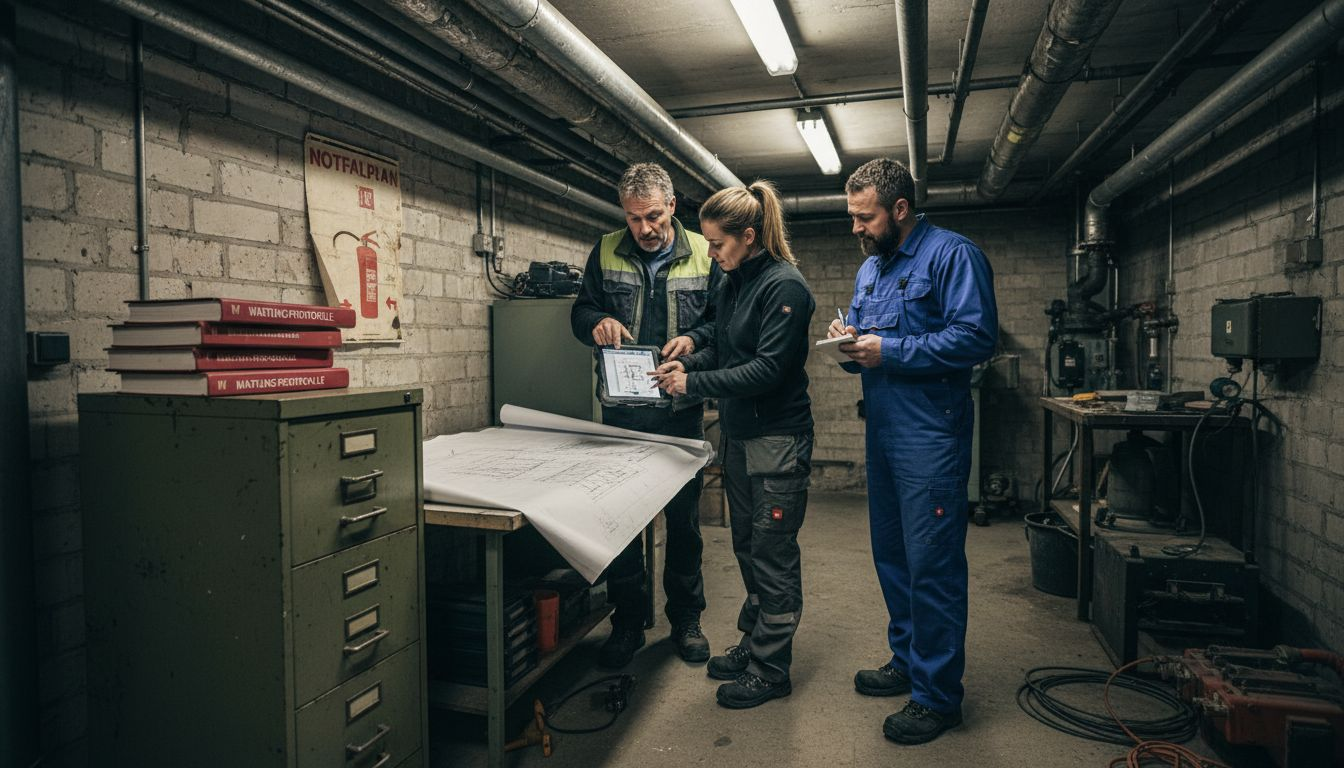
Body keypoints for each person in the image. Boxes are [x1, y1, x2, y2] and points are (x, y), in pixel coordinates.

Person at [828, 158, 997, 744]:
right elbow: (869, 346)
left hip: (931, 437)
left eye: (864, 217)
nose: (856, 228)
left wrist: (889, 352)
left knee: (933, 566)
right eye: (852, 216)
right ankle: (908, 660)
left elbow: (976, 336)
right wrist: (849, 344)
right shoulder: (871, 268)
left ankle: (937, 697)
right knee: (894, 557)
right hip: (883, 432)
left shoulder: (953, 255)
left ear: (899, 209)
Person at [652, 180, 815, 709]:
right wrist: (685, 363)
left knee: (773, 553)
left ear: (748, 236)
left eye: (717, 244)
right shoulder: (733, 280)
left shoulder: (785, 287)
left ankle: (771, 669)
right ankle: (755, 642)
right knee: (747, 545)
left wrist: (693, 383)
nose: (711, 253)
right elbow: (723, 347)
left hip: (778, 440)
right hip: (743, 437)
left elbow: (767, 370)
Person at [570, 163, 717, 668]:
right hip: (623, 417)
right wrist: (598, 321)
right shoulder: (606, 249)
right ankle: (628, 624)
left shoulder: (705, 252)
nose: (645, 228)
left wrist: (693, 341)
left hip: (680, 414)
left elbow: (722, 324)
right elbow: (580, 313)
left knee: (684, 525)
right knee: (622, 526)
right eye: (634, 219)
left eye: (653, 216)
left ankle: (686, 620)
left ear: (672, 206)